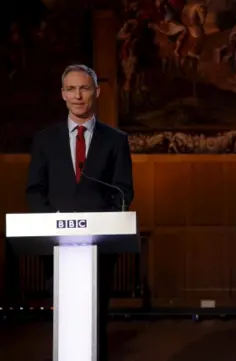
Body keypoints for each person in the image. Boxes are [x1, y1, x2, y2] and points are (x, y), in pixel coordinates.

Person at [24, 64, 134, 361]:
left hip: (99, 248)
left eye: (84, 88)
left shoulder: (115, 140)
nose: (78, 95)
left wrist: (99, 225)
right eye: (71, 89)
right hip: (57, 248)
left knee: (95, 317)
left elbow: (124, 192)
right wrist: (53, 225)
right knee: (65, 317)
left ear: (96, 92)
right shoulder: (45, 140)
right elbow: (35, 191)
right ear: (62, 95)